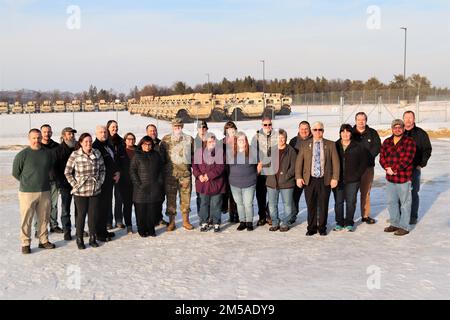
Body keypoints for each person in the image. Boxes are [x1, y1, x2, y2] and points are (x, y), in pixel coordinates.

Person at [13, 128, 56, 254]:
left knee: (44, 218)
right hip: (27, 192)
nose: (36, 140)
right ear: (29, 139)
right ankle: (25, 243)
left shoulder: (47, 154)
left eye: (38, 138)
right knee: (27, 218)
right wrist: (28, 181)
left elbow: (49, 169)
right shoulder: (23, 154)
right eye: (33, 138)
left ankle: (43, 240)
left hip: (45, 191)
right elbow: (16, 172)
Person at [296, 121, 340, 236]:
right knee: (311, 204)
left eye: (320, 129)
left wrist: (335, 178)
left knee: (323, 204)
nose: (317, 132)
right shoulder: (305, 145)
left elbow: (336, 163)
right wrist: (298, 177)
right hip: (309, 179)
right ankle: (311, 227)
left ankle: (322, 227)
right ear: (312, 131)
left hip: (324, 179)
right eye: (315, 130)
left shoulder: (330, 144)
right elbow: (299, 163)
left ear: (323, 131)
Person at [65, 133, 105, 249]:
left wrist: (99, 182)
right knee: (81, 215)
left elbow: (103, 170)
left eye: (90, 141)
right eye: (86, 141)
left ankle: (93, 237)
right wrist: (75, 184)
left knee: (93, 215)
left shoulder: (97, 153)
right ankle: (79, 239)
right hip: (80, 191)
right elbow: (67, 172)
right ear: (81, 143)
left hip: (94, 189)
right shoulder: (75, 154)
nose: (88, 144)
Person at [380, 119, 416, 236]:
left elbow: (407, 159)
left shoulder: (409, 142)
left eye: (400, 127)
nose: (397, 129)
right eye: (395, 127)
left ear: (403, 128)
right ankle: (394, 223)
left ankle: (404, 226)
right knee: (392, 202)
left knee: (405, 203)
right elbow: (382, 158)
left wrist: (394, 169)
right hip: (390, 178)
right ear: (392, 129)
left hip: (403, 178)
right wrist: (387, 168)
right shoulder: (387, 142)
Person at [160, 118, 194, 231]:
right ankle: (172, 222)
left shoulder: (189, 139)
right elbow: (161, 158)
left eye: (179, 126)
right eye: (175, 126)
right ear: (172, 127)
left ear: (182, 126)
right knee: (171, 199)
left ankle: (186, 221)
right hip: (170, 175)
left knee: (186, 198)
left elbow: (194, 157)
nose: (177, 128)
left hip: (185, 175)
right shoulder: (165, 140)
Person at [332, 124, 368, 232]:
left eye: (348, 132)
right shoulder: (335, 145)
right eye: (343, 132)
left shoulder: (357, 146)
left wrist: (357, 174)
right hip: (338, 179)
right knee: (338, 202)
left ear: (351, 134)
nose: (345, 134)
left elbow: (364, 162)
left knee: (351, 201)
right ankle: (339, 222)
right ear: (340, 133)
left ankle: (349, 222)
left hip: (353, 179)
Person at [130, 136, 164, 237]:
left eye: (149, 145)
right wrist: (138, 184)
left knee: (151, 211)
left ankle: (151, 229)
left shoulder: (156, 155)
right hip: (141, 188)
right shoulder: (137, 156)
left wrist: (159, 182)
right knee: (141, 211)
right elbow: (132, 171)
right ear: (141, 145)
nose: (147, 147)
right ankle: (142, 229)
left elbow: (161, 170)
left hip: (153, 187)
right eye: (145, 144)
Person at [403, 111, 432, 224]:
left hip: (414, 169)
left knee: (413, 192)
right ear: (403, 119)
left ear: (414, 119)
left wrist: (421, 163)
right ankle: (400, 215)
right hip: (401, 170)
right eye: (406, 118)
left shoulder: (421, 134)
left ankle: (413, 216)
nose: (408, 120)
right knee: (401, 193)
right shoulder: (399, 132)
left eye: (410, 118)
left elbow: (427, 150)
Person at [192, 133, 226, 232]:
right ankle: (204, 222)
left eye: (213, 141)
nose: (212, 143)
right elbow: (195, 166)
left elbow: (220, 167)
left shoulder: (220, 152)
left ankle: (216, 222)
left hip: (216, 183)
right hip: (203, 183)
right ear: (205, 142)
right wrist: (199, 175)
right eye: (209, 141)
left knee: (216, 204)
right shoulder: (199, 152)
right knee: (203, 203)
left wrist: (208, 175)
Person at [352, 112, 381, 224]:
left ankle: (365, 215)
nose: (361, 122)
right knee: (351, 193)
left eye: (363, 119)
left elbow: (377, 147)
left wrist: (366, 159)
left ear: (366, 120)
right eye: (359, 119)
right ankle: (350, 216)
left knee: (366, 192)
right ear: (355, 120)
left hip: (368, 168)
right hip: (353, 168)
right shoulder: (351, 132)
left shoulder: (372, 133)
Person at [266, 129, 297, 232]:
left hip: (287, 183)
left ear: (286, 138)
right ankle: (275, 222)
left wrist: (286, 176)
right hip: (272, 182)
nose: (281, 140)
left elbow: (294, 167)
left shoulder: (291, 150)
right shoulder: (271, 150)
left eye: (283, 137)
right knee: (272, 204)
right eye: (279, 138)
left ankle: (285, 223)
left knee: (287, 204)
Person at [229, 132, 261, 231]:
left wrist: (256, 175)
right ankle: (242, 221)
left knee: (248, 203)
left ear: (246, 141)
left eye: (243, 139)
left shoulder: (252, 151)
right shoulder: (231, 152)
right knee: (239, 203)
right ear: (236, 141)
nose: (241, 141)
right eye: (239, 140)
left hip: (249, 182)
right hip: (234, 183)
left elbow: (260, 164)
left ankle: (249, 222)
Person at [93, 125, 120, 242]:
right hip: (101, 182)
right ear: (96, 134)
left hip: (109, 181)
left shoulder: (108, 145)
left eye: (105, 132)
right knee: (99, 208)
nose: (103, 134)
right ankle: (98, 233)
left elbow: (113, 160)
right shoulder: (95, 147)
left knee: (105, 207)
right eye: (100, 132)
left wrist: (117, 172)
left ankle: (103, 229)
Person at [251, 116, 277, 226]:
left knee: (272, 194)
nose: (267, 127)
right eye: (265, 125)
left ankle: (269, 214)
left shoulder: (276, 136)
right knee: (261, 195)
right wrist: (258, 162)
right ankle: (262, 216)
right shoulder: (256, 137)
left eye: (269, 124)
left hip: (272, 170)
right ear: (262, 125)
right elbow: (253, 151)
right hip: (261, 170)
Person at [54, 127, 78, 240]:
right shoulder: (58, 150)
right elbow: (55, 169)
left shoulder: (78, 147)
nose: (71, 136)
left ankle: (80, 229)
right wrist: (60, 182)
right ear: (63, 136)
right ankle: (67, 230)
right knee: (65, 208)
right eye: (69, 134)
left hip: (79, 183)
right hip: (65, 184)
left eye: (72, 134)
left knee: (80, 208)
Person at [37, 124, 61, 234]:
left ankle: (54, 224)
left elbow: (61, 163)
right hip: (41, 182)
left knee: (54, 205)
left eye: (49, 132)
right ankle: (39, 228)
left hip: (54, 180)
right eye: (45, 132)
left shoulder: (56, 146)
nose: (47, 134)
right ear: (41, 133)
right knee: (40, 206)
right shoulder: (37, 146)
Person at [288, 120, 312, 224]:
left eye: (306, 129)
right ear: (298, 129)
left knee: (311, 197)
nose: (304, 131)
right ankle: (293, 215)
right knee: (294, 197)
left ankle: (314, 216)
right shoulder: (293, 141)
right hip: (297, 174)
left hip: (311, 174)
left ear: (309, 129)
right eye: (302, 129)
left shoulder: (314, 139)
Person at [146, 123, 168, 226]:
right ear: (147, 132)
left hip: (161, 176)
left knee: (160, 198)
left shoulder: (161, 144)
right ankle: (150, 219)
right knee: (150, 200)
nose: (153, 132)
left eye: (154, 130)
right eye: (150, 131)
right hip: (148, 177)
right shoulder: (144, 144)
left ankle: (159, 218)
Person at [106, 120, 125, 229]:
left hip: (119, 174)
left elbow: (122, 158)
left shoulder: (121, 141)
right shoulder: (104, 140)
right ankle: (108, 221)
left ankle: (119, 220)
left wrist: (119, 172)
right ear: (108, 128)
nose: (115, 129)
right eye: (113, 127)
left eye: (116, 127)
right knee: (108, 199)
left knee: (119, 198)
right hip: (108, 174)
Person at [222, 121, 239, 223]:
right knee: (227, 193)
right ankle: (230, 213)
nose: (230, 131)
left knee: (235, 193)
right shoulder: (222, 142)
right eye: (228, 129)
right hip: (225, 170)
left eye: (232, 129)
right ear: (225, 130)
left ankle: (236, 214)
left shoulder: (239, 140)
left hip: (236, 170)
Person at [120, 132, 137, 234]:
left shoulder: (138, 150)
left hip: (137, 182)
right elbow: (117, 164)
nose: (131, 141)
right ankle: (129, 225)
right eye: (129, 139)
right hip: (125, 182)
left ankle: (141, 222)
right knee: (127, 205)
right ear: (125, 140)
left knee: (139, 204)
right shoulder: (121, 151)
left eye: (133, 139)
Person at [194, 120, 209, 217]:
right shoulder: (193, 142)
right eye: (200, 127)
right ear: (197, 129)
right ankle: (202, 217)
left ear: (207, 129)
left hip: (210, 173)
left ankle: (210, 216)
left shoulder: (211, 140)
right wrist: (198, 173)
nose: (202, 129)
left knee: (210, 196)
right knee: (200, 195)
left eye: (204, 127)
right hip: (199, 173)